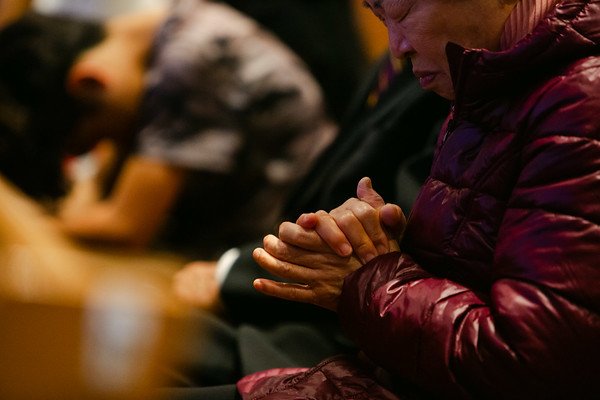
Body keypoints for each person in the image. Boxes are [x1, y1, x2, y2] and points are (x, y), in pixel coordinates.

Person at [243, 0, 600, 399]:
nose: (396, 48)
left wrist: (369, 279)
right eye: (380, 19)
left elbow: (530, 363)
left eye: (401, 13)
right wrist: (377, 241)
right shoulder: (491, 74)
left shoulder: (583, 95)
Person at [164, 52, 449, 400]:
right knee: (133, 339)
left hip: (341, 342)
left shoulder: (454, 72)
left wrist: (229, 277)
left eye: (402, 20)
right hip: (321, 318)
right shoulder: (409, 53)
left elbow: (403, 235)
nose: (398, 44)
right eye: (384, 21)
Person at [0, 0, 351, 259]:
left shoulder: (187, 60)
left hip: (288, 256)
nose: (108, 146)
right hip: (242, 244)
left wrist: (23, 222)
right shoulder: (166, 30)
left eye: (97, 137)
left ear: (90, 82)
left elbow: (124, 227)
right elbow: (101, 196)